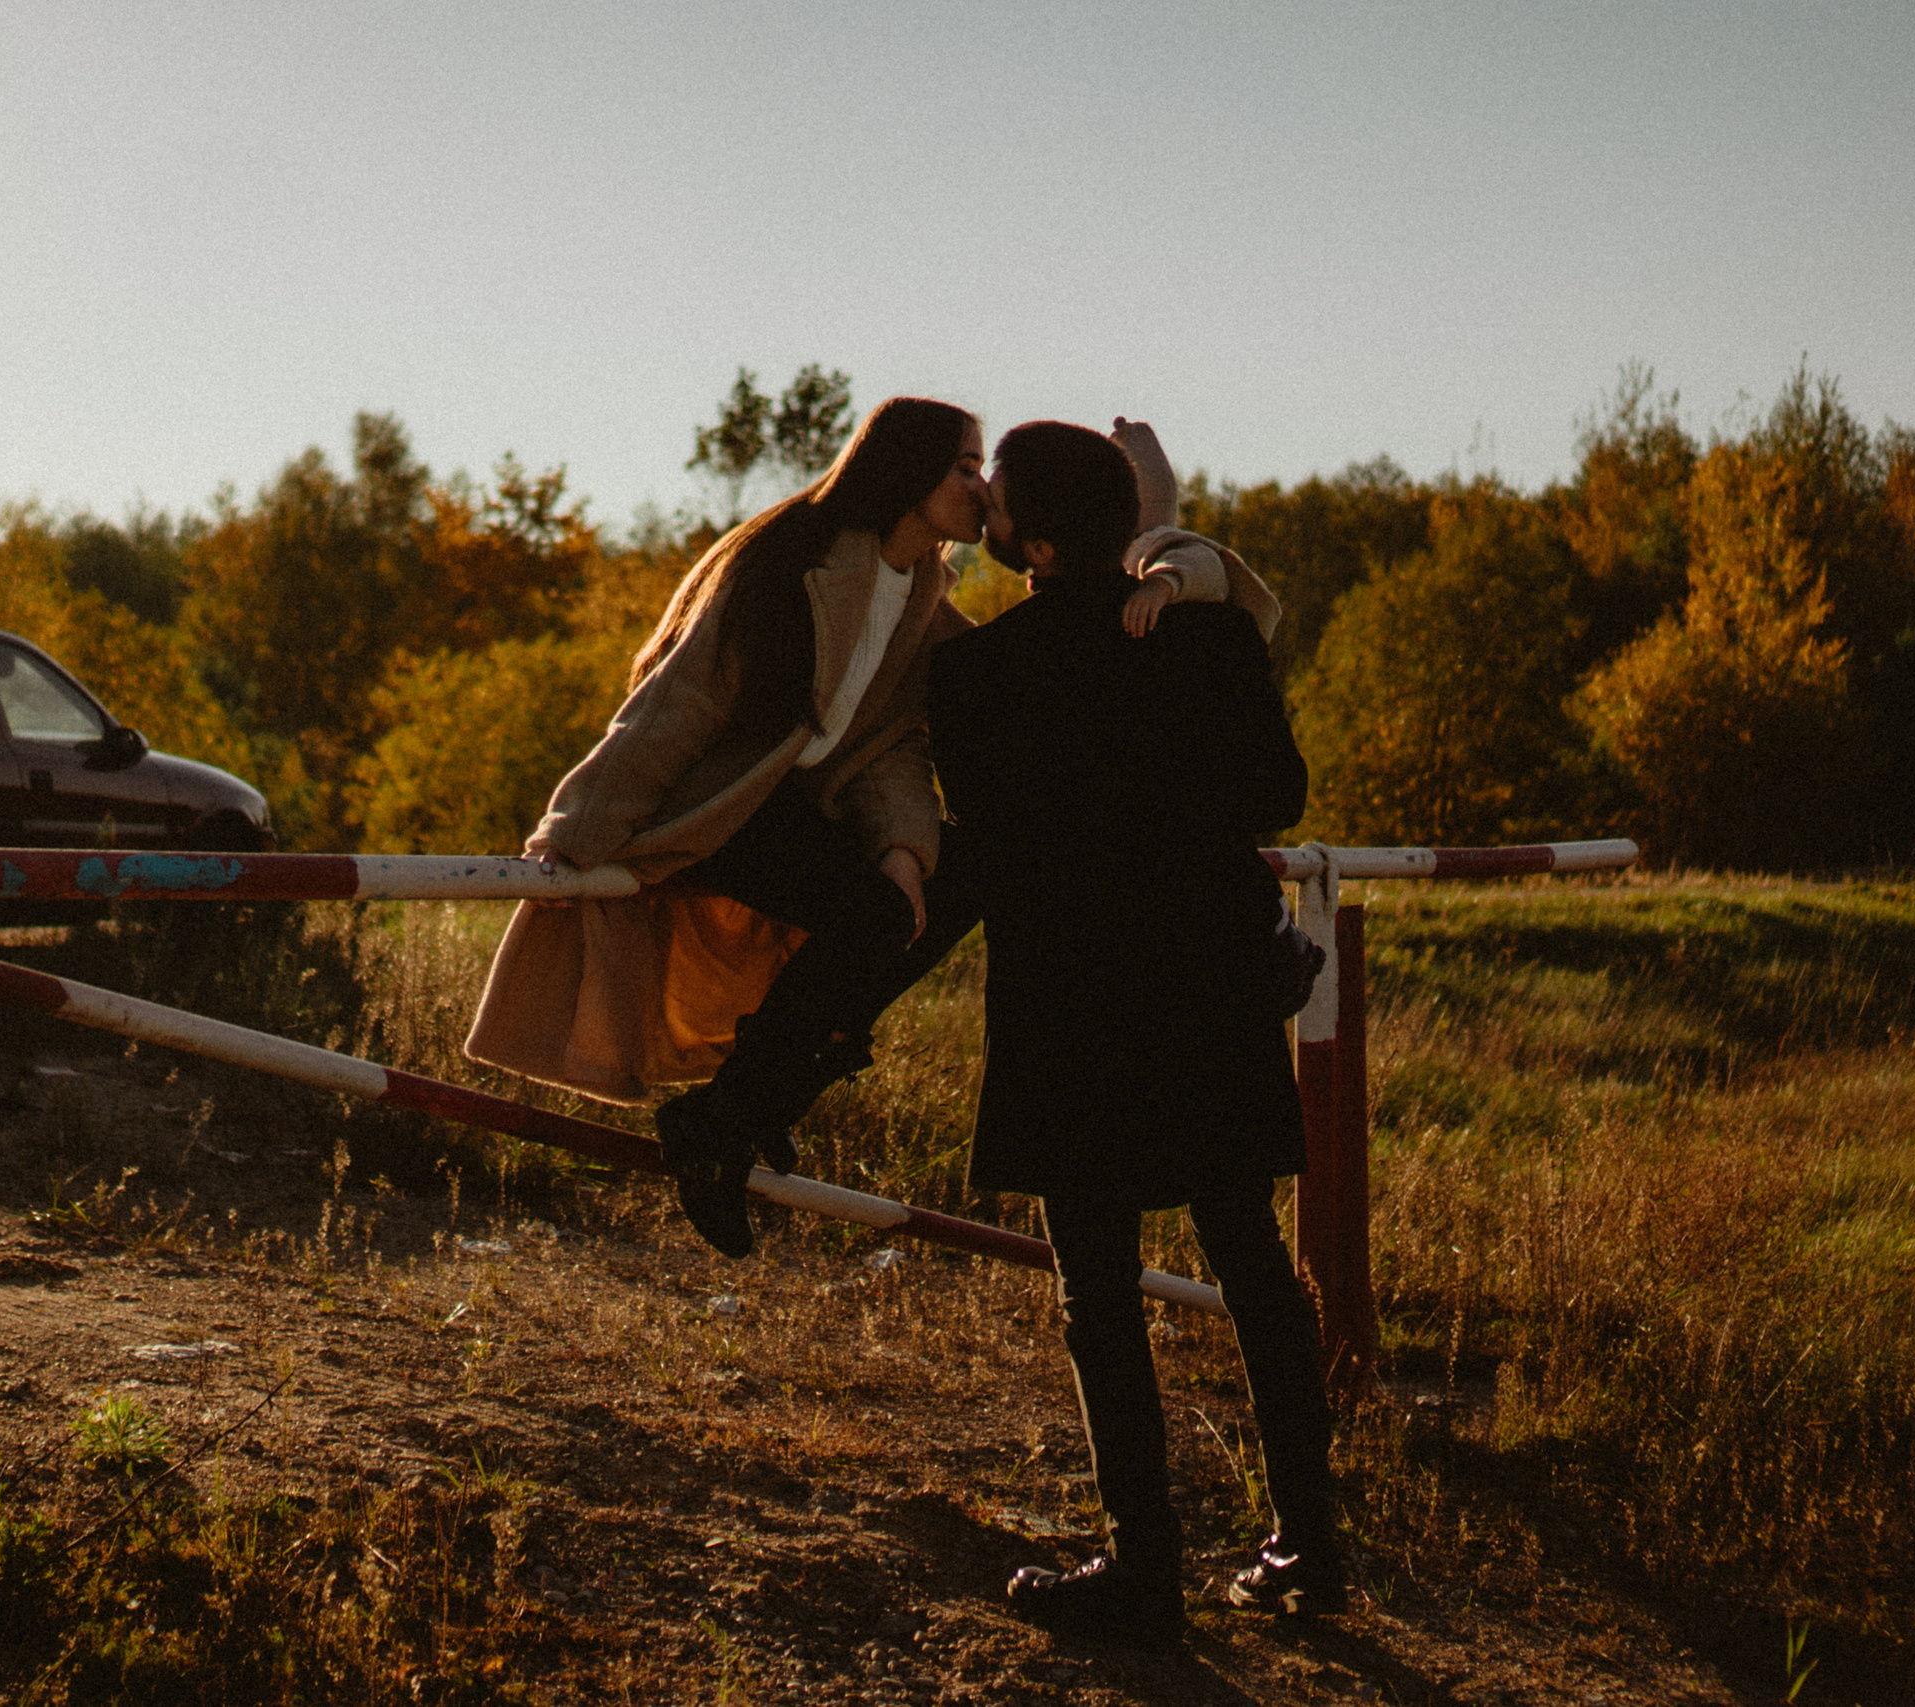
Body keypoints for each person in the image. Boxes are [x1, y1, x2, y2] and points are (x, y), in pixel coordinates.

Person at [464, 399, 1231, 1259]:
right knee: (870, 916)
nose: (981, 489)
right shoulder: (792, 560)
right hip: (716, 804)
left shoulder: (924, 600)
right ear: (908, 472)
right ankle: (731, 1113)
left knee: (950, 879)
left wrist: (902, 850)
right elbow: (679, 701)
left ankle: (755, 1098)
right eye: (964, 468)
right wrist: (575, 825)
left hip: (795, 810)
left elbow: (892, 746)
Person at [927, 420, 1342, 1643]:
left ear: (1039, 547)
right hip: (1210, 987)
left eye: (998, 504)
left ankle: (1142, 1566)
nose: (984, 514)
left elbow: (989, 838)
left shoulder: (979, 674)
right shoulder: (1207, 639)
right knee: (1252, 1264)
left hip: (1073, 1006)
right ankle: (1308, 1545)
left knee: (1097, 1290)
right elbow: (1277, 796)